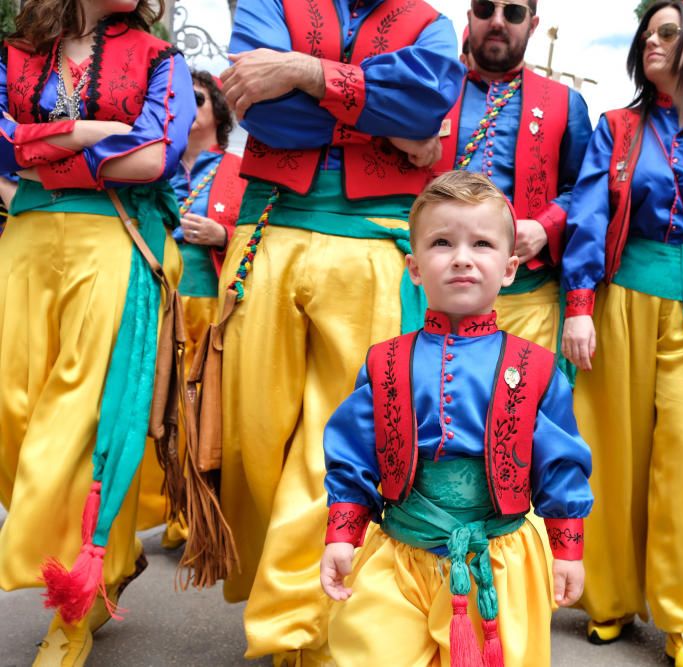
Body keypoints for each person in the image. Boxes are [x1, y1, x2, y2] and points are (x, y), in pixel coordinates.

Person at [217, 2, 463, 663]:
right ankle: (293, 594)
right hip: (268, 230)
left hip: (376, 245)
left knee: (343, 443)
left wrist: (299, 71)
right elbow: (263, 113)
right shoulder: (270, 4)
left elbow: (424, 103)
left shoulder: (433, 25)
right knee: (250, 438)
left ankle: (305, 625)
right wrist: (386, 121)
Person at [320, 170, 592, 666]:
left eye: (482, 244)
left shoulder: (535, 367)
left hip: (499, 562)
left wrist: (567, 547)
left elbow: (560, 463)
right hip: (397, 556)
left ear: (510, 268)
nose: (462, 258)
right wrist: (342, 533)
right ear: (415, 267)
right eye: (442, 242)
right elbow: (353, 453)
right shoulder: (384, 361)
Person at [560, 3, 683, 664]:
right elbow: (588, 214)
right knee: (610, 451)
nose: (652, 39)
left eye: (668, 32)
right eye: (649, 31)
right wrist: (580, 305)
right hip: (620, 300)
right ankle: (609, 597)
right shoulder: (615, 128)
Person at [0, 0, 194, 664]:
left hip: (112, 242)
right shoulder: (13, 54)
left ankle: (73, 603)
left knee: (76, 422)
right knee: (10, 416)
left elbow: (155, 156)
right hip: (22, 247)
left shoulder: (161, 58)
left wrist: (31, 150)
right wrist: (92, 131)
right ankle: (117, 551)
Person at [433, 0, 592, 354]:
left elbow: (585, 190)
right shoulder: (432, 92)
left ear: (533, 25)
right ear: (470, 14)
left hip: (529, 299)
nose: (498, 21)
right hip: (432, 299)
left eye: (514, 13)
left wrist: (545, 227)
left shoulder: (567, 103)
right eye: (486, 8)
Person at [135, 69, 246, 549]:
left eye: (196, 98)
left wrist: (223, 236)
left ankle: (194, 510)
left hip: (209, 302)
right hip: (161, 300)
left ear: (218, 114)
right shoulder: (155, 164)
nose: (184, 104)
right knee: (154, 406)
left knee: (200, 411)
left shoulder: (239, 166)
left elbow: (261, 230)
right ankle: (162, 504)